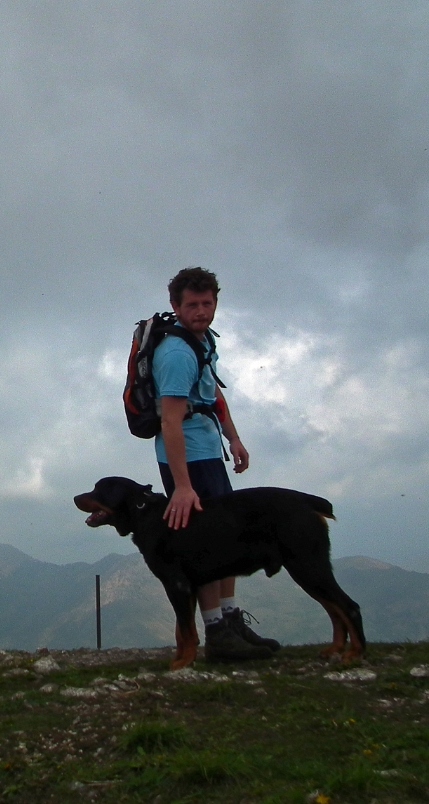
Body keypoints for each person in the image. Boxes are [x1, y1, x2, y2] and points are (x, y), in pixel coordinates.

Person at [155, 267, 279, 660]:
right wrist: (183, 485)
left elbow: (211, 396)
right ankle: (217, 633)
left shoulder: (202, 341)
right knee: (205, 547)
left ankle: (229, 620)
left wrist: (233, 437)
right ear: (175, 306)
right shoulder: (176, 352)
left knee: (225, 541)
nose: (201, 311)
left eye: (207, 303)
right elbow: (170, 420)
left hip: (208, 452)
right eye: (192, 304)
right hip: (188, 461)